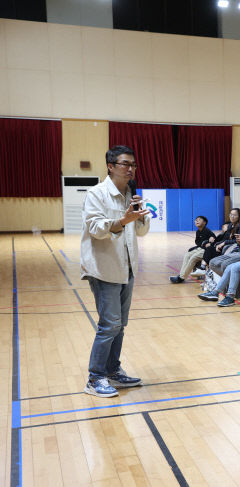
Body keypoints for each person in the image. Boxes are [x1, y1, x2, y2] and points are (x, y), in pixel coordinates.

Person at [81, 145, 151, 398]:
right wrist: (122, 221)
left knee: (119, 326)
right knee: (109, 324)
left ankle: (112, 370)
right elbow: (95, 229)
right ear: (110, 166)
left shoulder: (131, 194)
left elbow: (141, 231)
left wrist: (140, 216)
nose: (130, 169)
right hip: (104, 269)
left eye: (133, 164)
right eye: (125, 164)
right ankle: (95, 378)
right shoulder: (96, 194)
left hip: (127, 267)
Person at [170, 215, 215, 283]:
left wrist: (210, 241)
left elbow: (213, 240)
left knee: (193, 257)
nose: (197, 221)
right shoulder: (198, 231)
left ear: (204, 223)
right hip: (200, 248)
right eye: (196, 220)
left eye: (199, 219)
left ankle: (181, 277)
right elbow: (197, 242)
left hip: (206, 250)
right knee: (187, 255)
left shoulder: (208, 231)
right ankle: (181, 275)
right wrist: (201, 244)